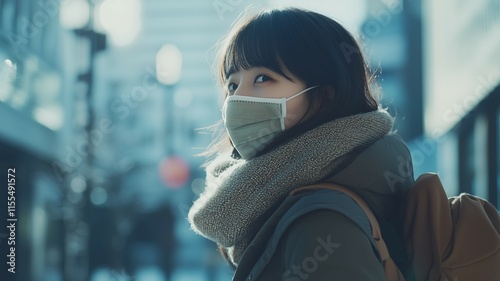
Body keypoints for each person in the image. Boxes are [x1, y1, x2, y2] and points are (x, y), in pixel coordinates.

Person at [188, 7, 414, 280]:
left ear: (322, 98)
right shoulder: (291, 202)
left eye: (263, 78)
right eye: (232, 85)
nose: (237, 99)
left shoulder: (322, 221)